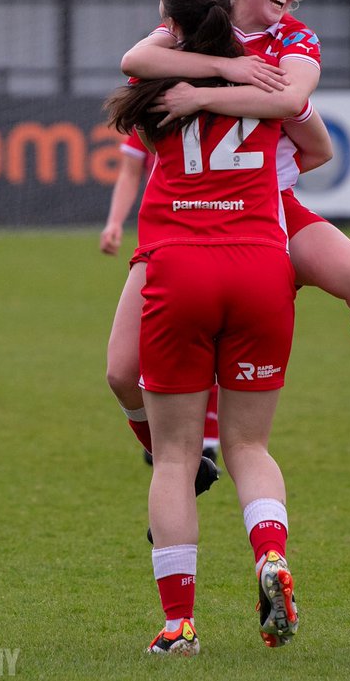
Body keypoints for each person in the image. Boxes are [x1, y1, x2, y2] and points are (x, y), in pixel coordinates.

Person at [112, 0, 350, 486]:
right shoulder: (199, 29)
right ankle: (178, 463)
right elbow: (135, 59)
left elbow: (291, 101)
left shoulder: (294, 38)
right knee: (123, 374)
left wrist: (201, 94)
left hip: (268, 209)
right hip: (188, 216)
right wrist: (227, 68)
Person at [104, 0, 311, 656]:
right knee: (251, 444)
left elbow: (136, 56)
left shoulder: (159, 78)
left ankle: (180, 624)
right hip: (259, 264)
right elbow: (315, 142)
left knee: (175, 456)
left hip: (180, 267)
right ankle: (272, 555)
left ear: (170, 15)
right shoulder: (265, 73)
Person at [100, 141, 221, 465]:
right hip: (162, 242)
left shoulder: (226, 105)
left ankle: (206, 438)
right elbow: (129, 169)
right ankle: (162, 438)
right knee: (145, 354)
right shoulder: (158, 100)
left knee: (209, 340)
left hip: (218, 238)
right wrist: (114, 222)